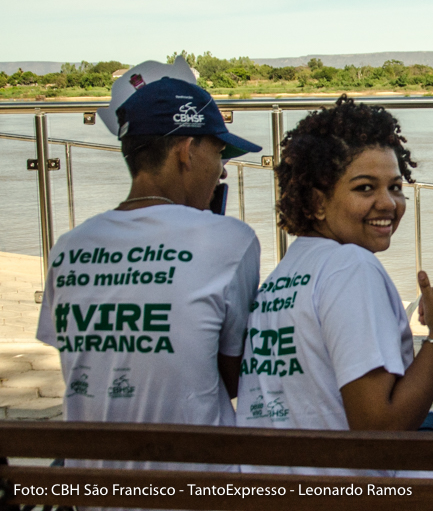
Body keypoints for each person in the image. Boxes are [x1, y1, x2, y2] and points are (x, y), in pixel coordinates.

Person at [36, 70, 263, 472]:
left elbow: (90, 364)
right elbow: (237, 379)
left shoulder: (68, 247)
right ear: (187, 150)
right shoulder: (230, 240)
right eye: (220, 153)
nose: (223, 171)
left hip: (93, 489)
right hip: (197, 485)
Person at [236, 96, 433, 476]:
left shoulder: (286, 273)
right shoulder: (350, 268)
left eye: (395, 187)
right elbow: (379, 431)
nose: (388, 203)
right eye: (364, 188)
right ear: (317, 202)